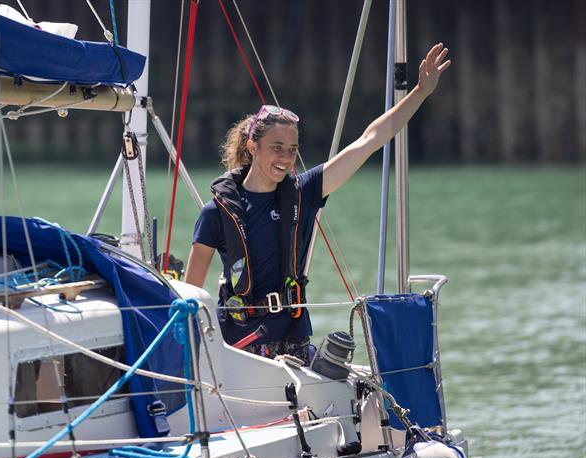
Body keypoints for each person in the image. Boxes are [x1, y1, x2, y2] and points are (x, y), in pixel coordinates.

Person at [184, 43, 451, 363]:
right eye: (276, 147)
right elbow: (190, 295)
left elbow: (369, 142)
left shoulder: (305, 191)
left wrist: (420, 92)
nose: (285, 158)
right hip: (239, 349)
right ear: (253, 145)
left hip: (293, 343)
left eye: (292, 149)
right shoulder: (217, 212)